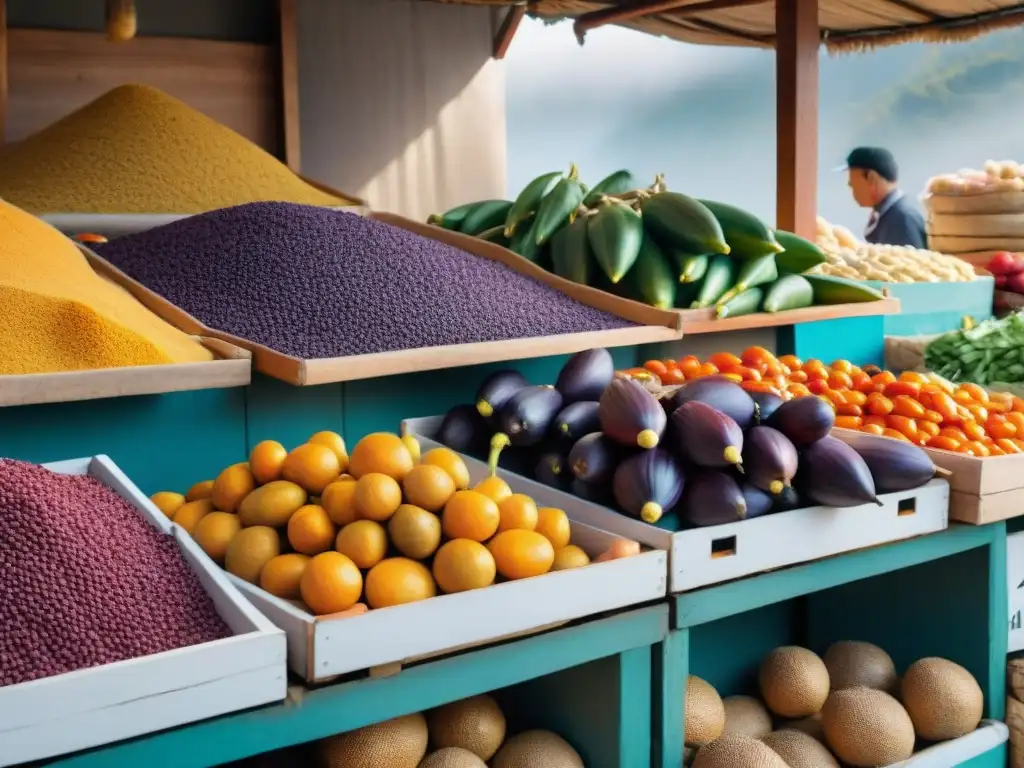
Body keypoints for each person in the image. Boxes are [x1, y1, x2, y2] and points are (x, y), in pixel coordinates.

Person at [842, 147, 927, 249]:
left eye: (852, 184)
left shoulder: (901, 218)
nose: (850, 186)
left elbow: (908, 264)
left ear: (871, 178)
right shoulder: (891, 212)